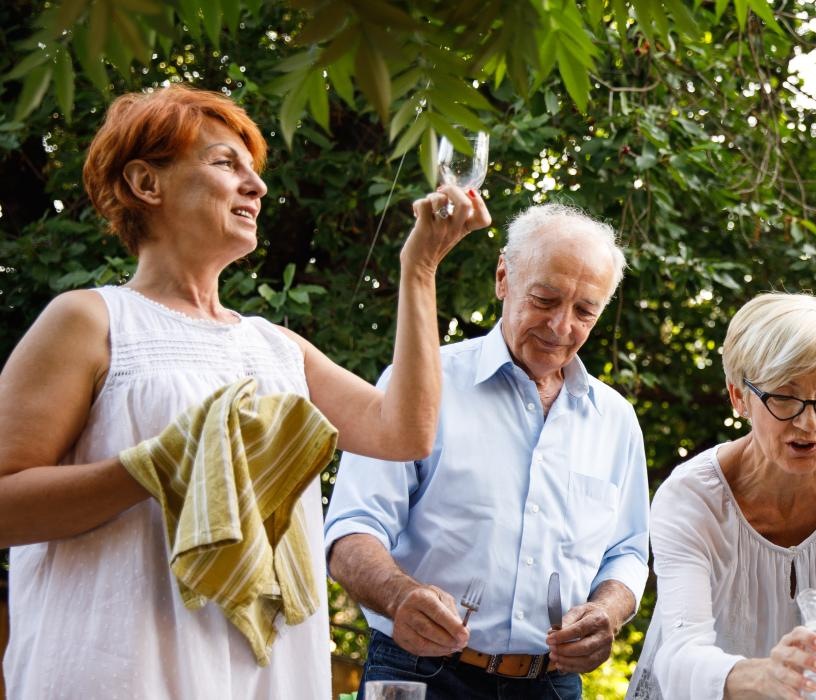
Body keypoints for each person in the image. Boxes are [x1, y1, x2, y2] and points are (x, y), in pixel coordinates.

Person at [0, 84, 485, 697]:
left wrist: (420, 269)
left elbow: (404, 432)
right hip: (119, 667)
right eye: (226, 163)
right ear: (147, 183)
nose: (255, 186)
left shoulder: (275, 347)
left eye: (254, 171)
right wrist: (155, 468)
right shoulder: (91, 319)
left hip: (262, 675)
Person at [325, 204, 648, 698]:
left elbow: (627, 552)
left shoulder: (617, 421)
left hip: (551, 684)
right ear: (504, 277)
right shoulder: (424, 386)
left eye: (585, 310)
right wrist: (400, 595)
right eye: (545, 299)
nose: (562, 327)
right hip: (419, 669)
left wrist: (607, 610)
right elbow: (352, 528)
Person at [626, 293, 816, 700]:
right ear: (739, 396)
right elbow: (677, 654)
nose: (809, 421)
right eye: (784, 395)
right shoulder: (690, 498)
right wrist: (763, 676)